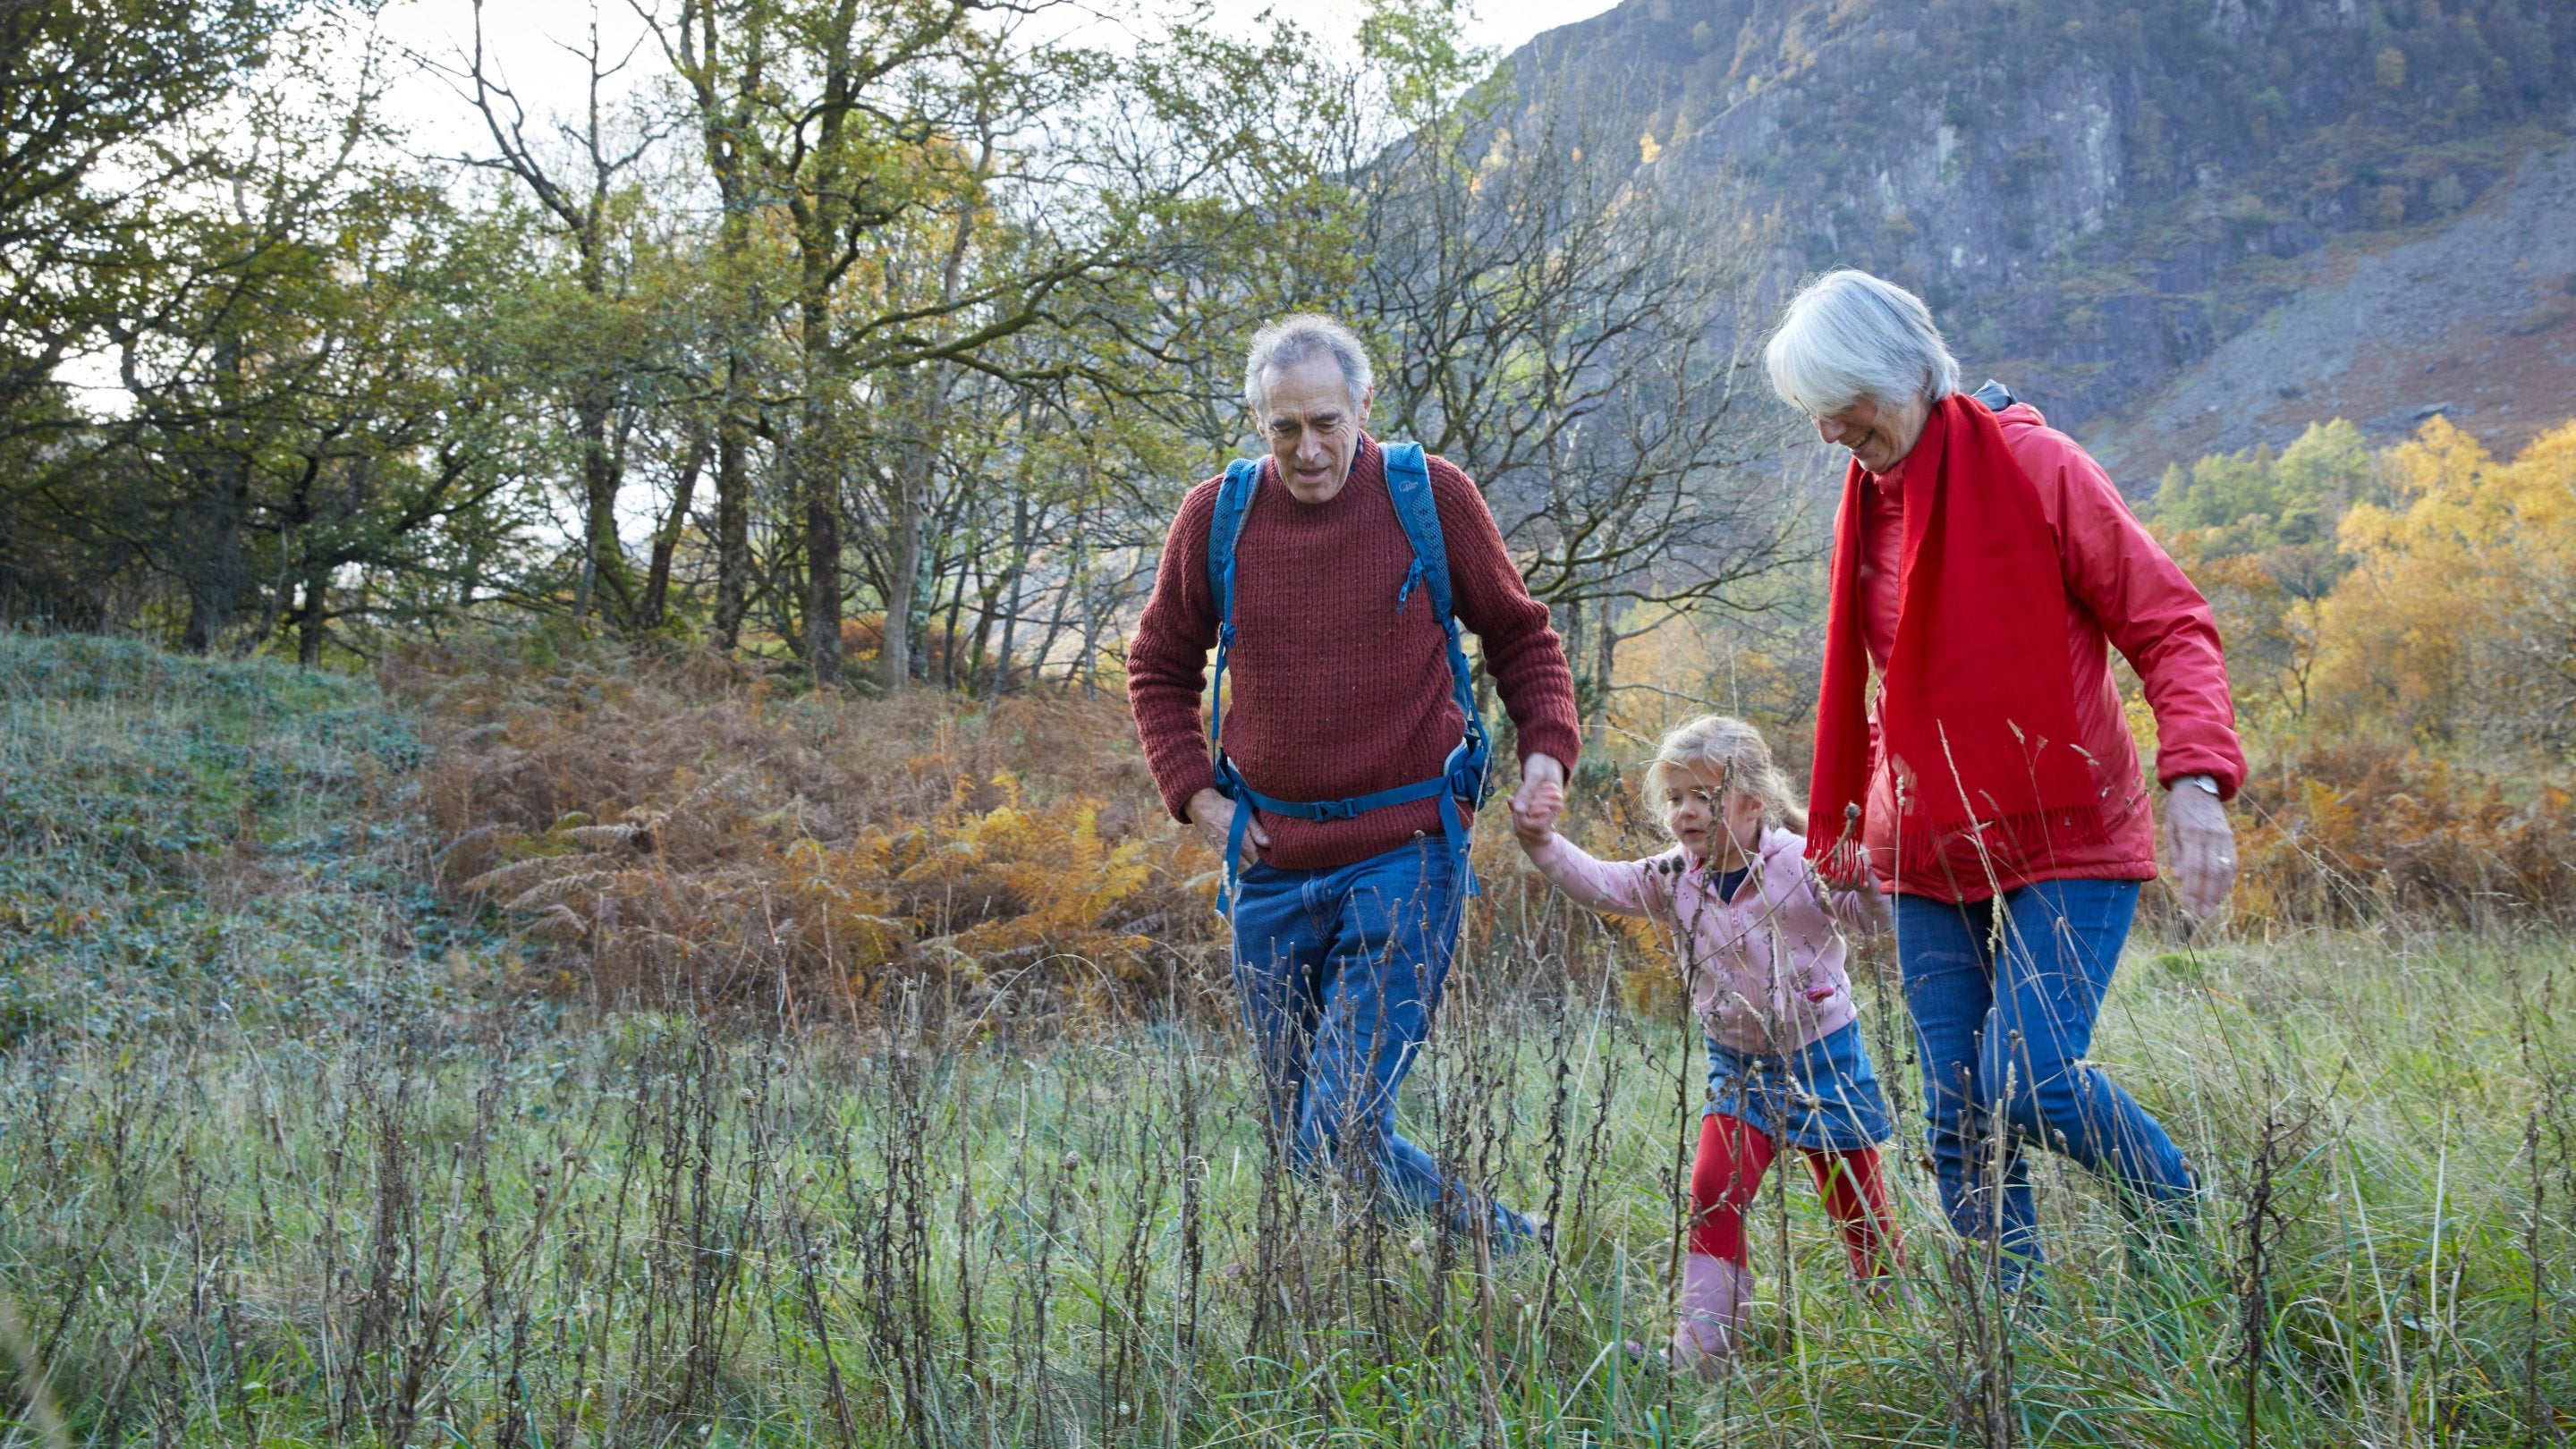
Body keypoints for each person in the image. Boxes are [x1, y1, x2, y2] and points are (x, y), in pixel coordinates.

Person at [1763, 269, 2247, 1285]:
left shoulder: (2038, 466)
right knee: (1958, 1119)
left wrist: (2195, 779)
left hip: (2067, 829)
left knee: (2023, 1077)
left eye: (1837, 410)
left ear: (1898, 375)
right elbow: (1888, 687)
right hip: (1926, 851)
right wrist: (1852, 829)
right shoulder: (1871, 494)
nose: (1825, 438)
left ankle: (2182, 1230)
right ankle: (2008, 1353)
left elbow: (2169, 624)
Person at [1126, 314, 1583, 1249]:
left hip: (1409, 851)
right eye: (1285, 427)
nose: (1309, 448)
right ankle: (1496, 1244)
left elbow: (1521, 634)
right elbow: (1157, 665)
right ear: (1257, 421)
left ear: (1364, 406)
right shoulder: (1215, 517)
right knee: (1310, 1145)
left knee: (1334, 1127)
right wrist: (1199, 799)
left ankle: (1497, 1248)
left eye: (1327, 422)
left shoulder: (1431, 496)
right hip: (1271, 864)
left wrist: (1547, 751)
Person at [1512, 715, 1901, 1374]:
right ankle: (1704, 1351)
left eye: (1702, 796)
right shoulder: (1673, 876)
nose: (1685, 812)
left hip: (1825, 1056)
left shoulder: (1804, 865)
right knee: (1714, 1191)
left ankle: (1896, 1328)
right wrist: (1542, 842)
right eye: (1674, 798)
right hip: (1738, 1065)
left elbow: (1878, 924)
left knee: (1856, 1204)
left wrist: (1862, 879)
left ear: (1752, 802)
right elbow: (1601, 882)